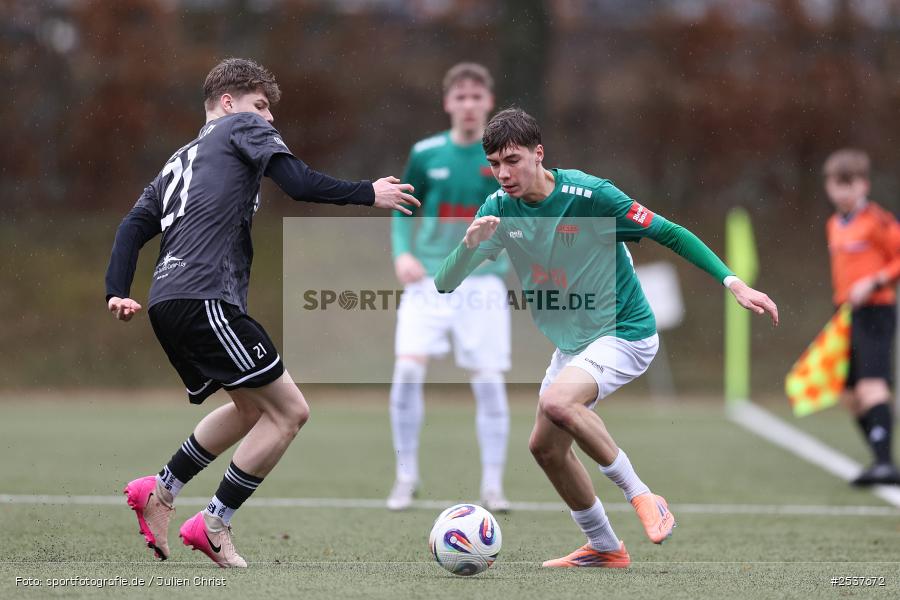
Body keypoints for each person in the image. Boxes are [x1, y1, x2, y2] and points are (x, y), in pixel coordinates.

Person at [105, 58, 419, 568]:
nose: (268, 118)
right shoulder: (239, 127)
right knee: (291, 412)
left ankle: (158, 490)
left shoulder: (178, 159)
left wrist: (116, 289)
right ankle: (213, 522)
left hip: (170, 302)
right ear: (227, 104)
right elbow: (297, 182)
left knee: (253, 409)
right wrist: (369, 193)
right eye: (260, 105)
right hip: (205, 296)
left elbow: (132, 226)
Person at [434, 108, 778, 568]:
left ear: (539, 154)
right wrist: (470, 244)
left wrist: (733, 282)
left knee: (559, 403)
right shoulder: (497, 210)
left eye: (512, 160)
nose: (503, 174)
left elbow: (670, 234)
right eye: (495, 164)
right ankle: (605, 546)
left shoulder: (591, 195)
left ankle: (643, 496)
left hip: (625, 332)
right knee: (544, 448)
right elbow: (444, 281)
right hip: (574, 344)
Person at [388, 63, 512, 512]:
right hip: (428, 282)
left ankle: (493, 485)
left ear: (488, 102)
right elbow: (403, 207)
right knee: (406, 375)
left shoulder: (504, 159)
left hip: (483, 284)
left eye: (476, 96)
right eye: (460, 96)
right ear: (447, 103)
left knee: (489, 384)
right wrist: (402, 252)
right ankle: (406, 477)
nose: (468, 104)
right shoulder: (426, 154)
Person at [823, 148, 900, 486]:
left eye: (848, 184)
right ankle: (882, 455)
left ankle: (885, 463)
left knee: (872, 386)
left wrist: (876, 281)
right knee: (850, 394)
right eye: (836, 185)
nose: (842, 192)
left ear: (863, 185)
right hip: (847, 314)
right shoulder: (833, 224)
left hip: (876, 311)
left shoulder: (877, 221)